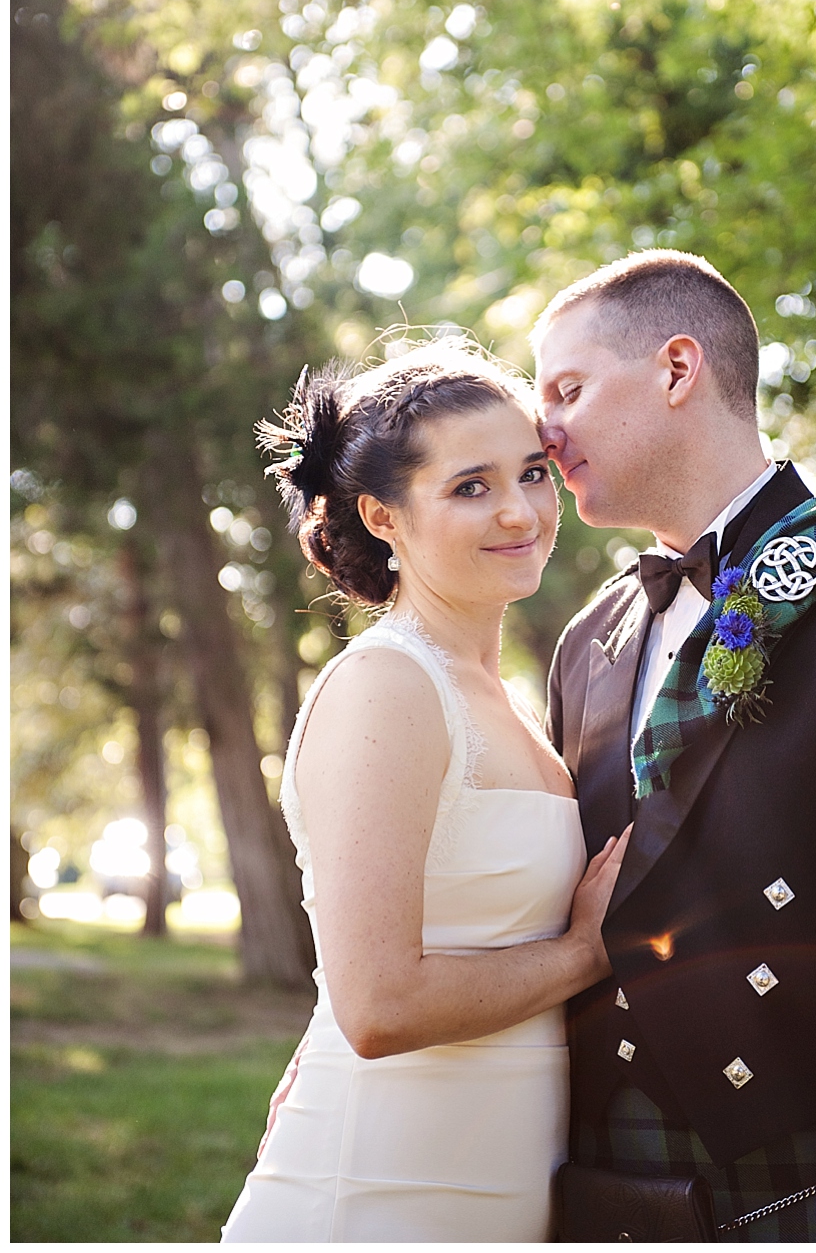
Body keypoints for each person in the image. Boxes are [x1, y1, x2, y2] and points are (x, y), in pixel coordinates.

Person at [533, 250, 816, 1242]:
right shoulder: (587, 641)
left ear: (677, 368)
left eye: (568, 388)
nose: (544, 430)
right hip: (603, 1188)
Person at [221, 340, 629, 1243]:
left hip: (495, 1187)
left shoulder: (510, 701)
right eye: (470, 487)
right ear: (383, 516)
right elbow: (376, 1006)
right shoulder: (389, 688)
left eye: (533, 473)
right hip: (379, 1193)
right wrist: (586, 954)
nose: (521, 512)